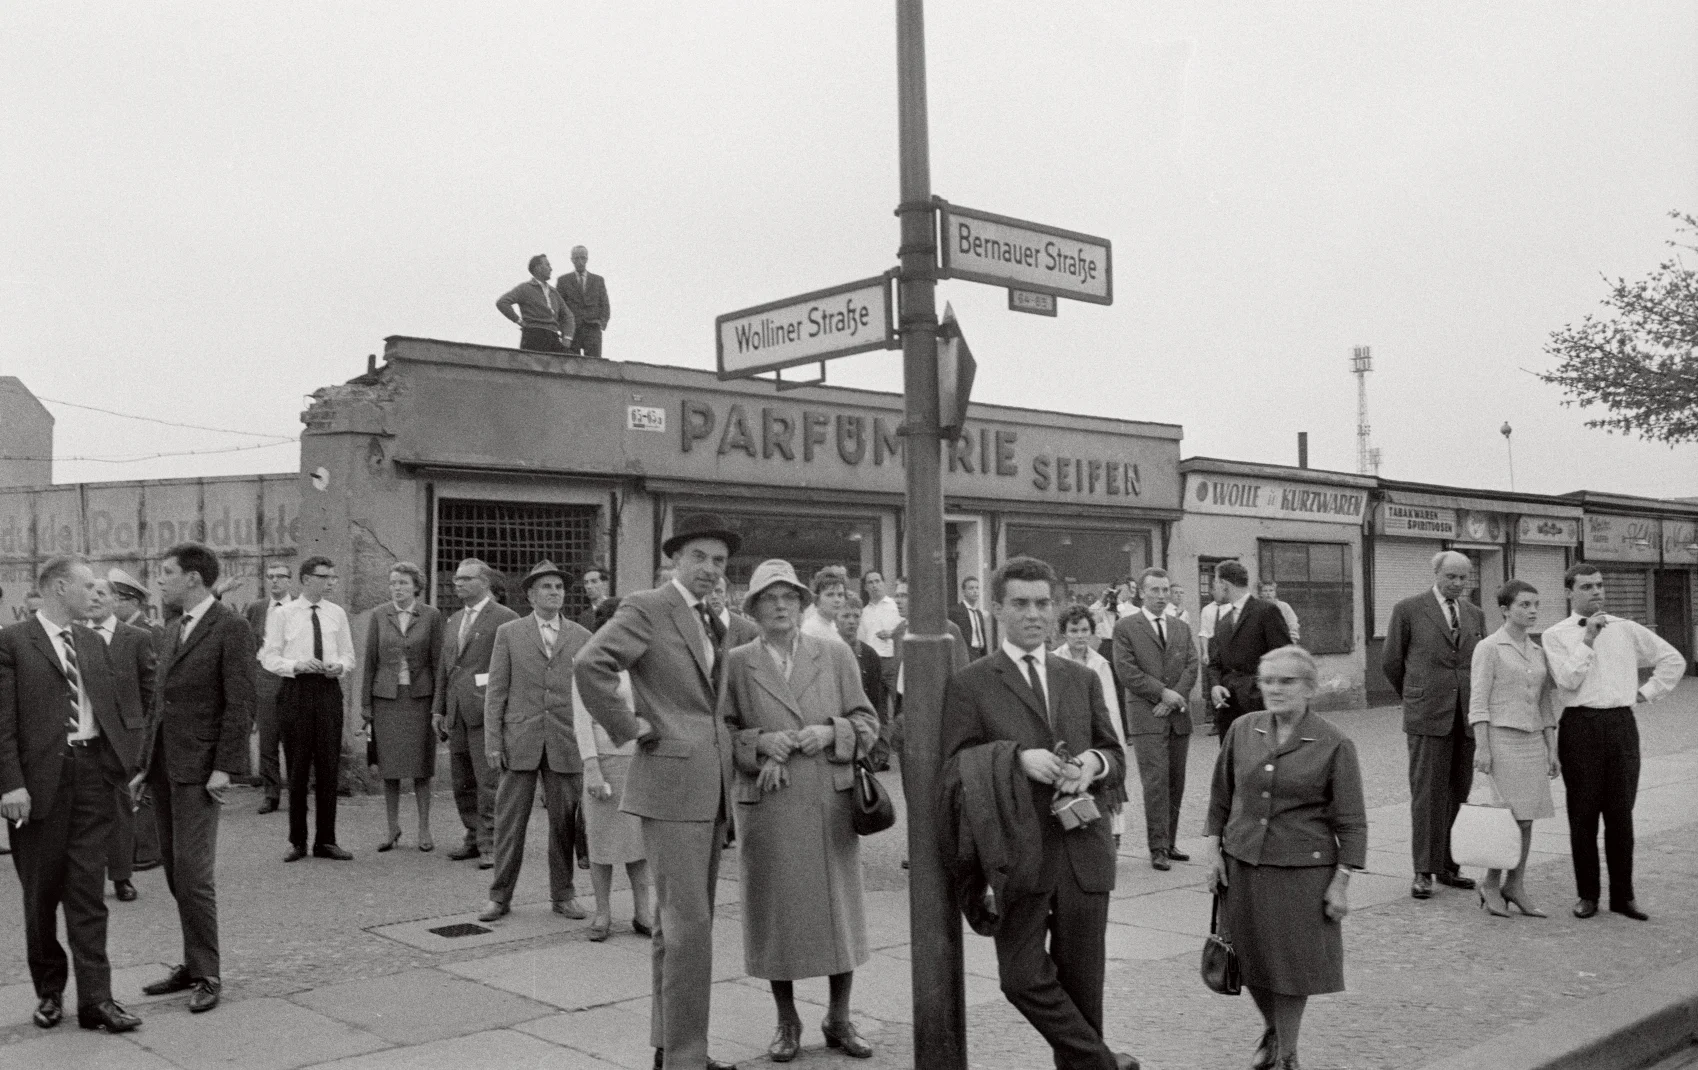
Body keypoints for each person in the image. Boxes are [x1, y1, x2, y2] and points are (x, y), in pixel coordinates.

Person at [941, 556, 1134, 1070]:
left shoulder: (1081, 676)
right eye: (1021, 603)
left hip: (1083, 853)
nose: (1034, 614)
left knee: (1083, 992)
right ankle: (1105, 1065)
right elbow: (953, 769)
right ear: (998, 608)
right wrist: (1015, 758)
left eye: (1043, 603)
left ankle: (1089, 1064)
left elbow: (1114, 752)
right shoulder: (972, 683)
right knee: (1021, 977)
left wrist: (1092, 763)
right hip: (1017, 856)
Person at [574, 513, 743, 1070]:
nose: (710, 570)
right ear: (676, 559)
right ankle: (686, 1058)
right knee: (688, 929)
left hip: (708, 789)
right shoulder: (649, 606)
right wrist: (629, 726)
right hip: (671, 786)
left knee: (682, 929)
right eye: (700, 558)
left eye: (719, 562)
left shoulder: (712, 619)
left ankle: (672, 1049)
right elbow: (590, 662)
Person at [720, 560, 881, 1062]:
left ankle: (839, 1017)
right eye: (770, 598)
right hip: (768, 804)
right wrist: (760, 743)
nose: (781, 605)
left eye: (789, 596)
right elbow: (719, 732)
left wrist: (833, 731)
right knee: (777, 916)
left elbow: (868, 722)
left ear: (801, 603)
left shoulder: (834, 654)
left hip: (828, 804)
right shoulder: (736, 662)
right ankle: (786, 1021)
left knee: (839, 914)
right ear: (754, 607)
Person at [0, 556, 145, 1033]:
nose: (95, 592)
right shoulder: (12, 642)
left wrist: (124, 766)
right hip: (37, 786)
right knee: (40, 897)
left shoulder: (91, 641)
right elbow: (1, 723)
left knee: (88, 895)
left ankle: (96, 1002)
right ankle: (49, 992)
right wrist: (10, 784)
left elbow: (118, 707)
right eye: (86, 585)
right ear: (60, 587)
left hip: (91, 779)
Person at [1204, 645, 1366, 1070]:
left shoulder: (1334, 743)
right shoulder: (1243, 728)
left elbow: (1351, 821)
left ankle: (1287, 1057)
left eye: (1287, 681)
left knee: (1291, 968)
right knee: (1250, 959)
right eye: (1268, 680)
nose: (1275, 689)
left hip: (1302, 871)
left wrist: (1341, 881)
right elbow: (1221, 797)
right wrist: (1213, 852)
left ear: (1310, 688)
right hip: (1241, 862)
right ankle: (1276, 1032)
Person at [137, 542, 255, 1015]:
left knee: (194, 873)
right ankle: (190, 962)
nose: (159, 579)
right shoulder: (170, 631)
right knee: (173, 868)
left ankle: (207, 973)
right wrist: (144, 768)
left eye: (166, 572)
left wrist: (225, 766)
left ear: (193, 578)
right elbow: (157, 706)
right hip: (166, 768)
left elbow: (240, 701)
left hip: (202, 769)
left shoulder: (232, 627)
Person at [1543, 563, 1685, 921]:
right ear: (1568, 592)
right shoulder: (1555, 634)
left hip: (1621, 724)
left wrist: (1646, 692)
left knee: (1621, 815)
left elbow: (1672, 660)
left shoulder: (1627, 629)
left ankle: (1624, 896)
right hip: (1580, 726)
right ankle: (1587, 895)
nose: (1597, 592)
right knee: (1583, 815)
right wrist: (1588, 639)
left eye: (1600, 585)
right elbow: (1567, 682)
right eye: (1587, 586)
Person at [478, 561, 593, 923]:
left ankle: (563, 895)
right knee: (510, 822)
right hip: (519, 739)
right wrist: (493, 741)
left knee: (563, 823)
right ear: (529, 594)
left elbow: (588, 694)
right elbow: (496, 691)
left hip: (564, 740)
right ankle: (499, 896)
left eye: (559, 587)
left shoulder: (580, 636)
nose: (554, 592)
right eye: (546, 587)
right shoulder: (509, 633)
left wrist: (589, 745)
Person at [1382, 551, 1484, 900]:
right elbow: (1393, 662)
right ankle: (1423, 870)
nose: (1457, 583)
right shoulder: (1408, 610)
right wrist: (1416, 696)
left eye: (1463, 578)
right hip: (1427, 714)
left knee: (1459, 792)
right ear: (1436, 574)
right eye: (1451, 576)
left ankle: (1448, 865)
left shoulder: (1475, 615)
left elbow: (1477, 664)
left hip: (1466, 717)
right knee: (1427, 794)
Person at [1469, 579, 1560, 918]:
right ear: (1505, 609)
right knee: (1504, 819)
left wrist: (1552, 748)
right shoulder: (1489, 648)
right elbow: (1478, 701)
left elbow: (1546, 704)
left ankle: (1515, 883)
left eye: (1536, 604)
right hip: (1501, 740)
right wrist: (1482, 748)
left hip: (1533, 742)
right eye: (1524, 605)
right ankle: (1491, 883)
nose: (1532, 611)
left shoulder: (1538, 652)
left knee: (1527, 819)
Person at [260, 556, 356, 863]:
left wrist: (337, 666)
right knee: (298, 768)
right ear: (306, 579)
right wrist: (297, 665)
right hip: (296, 691)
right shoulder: (284, 614)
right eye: (324, 576)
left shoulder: (336, 613)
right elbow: (269, 658)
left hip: (327, 691)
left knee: (328, 767)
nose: (330, 582)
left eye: (332, 576)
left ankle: (326, 840)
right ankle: (297, 840)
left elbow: (349, 656)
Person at [572, 597, 653, 942]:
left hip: (638, 760)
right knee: (602, 843)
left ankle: (642, 912)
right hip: (604, 762)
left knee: (638, 844)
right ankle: (602, 913)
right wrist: (591, 767)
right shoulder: (586, 663)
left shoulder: (641, 664)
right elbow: (581, 719)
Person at [1112, 567, 1199, 871]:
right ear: (1141, 592)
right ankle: (1157, 846)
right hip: (1146, 715)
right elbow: (1126, 671)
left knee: (1176, 781)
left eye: (1165, 590)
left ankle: (1170, 841)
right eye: (1155, 591)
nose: (1161, 596)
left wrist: (1174, 697)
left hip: (1176, 716)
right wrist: (1163, 694)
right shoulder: (1126, 627)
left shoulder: (1180, 627)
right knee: (1156, 782)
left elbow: (1191, 664)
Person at [434, 558, 518, 869]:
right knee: (462, 781)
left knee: (488, 782)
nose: (458, 583)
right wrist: (438, 709)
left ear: (484, 582)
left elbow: (512, 667)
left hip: (486, 712)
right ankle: (472, 836)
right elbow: (445, 669)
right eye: (456, 578)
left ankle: (491, 844)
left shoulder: (504, 618)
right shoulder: (453, 620)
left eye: (466, 579)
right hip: (456, 713)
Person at [361, 562, 444, 853]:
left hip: (420, 699)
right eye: (393, 583)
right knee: (390, 767)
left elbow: (439, 664)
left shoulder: (432, 616)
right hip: (386, 700)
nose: (397, 588)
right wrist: (366, 707)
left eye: (403, 583)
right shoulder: (379, 615)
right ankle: (392, 827)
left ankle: (424, 828)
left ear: (416, 587)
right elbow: (370, 661)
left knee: (422, 767)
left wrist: (439, 704)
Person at [85, 578, 157, 904]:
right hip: (84, 739)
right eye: (89, 593)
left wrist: (142, 739)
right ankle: (86, 880)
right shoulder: (75, 636)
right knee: (84, 812)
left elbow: (151, 692)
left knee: (120, 810)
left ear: (116, 599)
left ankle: (121, 877)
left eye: (101, 593)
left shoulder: (137, 638)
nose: (94, 598)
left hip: (124, 740)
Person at [1055, 605, 1130, 847]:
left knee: (1102, 786)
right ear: (1064, 633)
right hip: (1068, 734)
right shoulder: (1054, 661)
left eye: (1084, 629)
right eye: (1074, 630)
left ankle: (1108, 836)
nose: (1079, 635)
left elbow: (1111, 708)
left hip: (1096, 733)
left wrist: (1116, 742)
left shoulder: (1100, 663)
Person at [1205, 561, 1292, 739]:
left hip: (1259, 706)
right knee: (1233, 761)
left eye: (1215, 582)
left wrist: (1261, 691)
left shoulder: (1266, 611)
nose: (1213, 588)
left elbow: (1285, 656)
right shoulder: (1223, 621)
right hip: (1228, 708)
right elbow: (1215, 662)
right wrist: (1215, 686)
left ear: (1224, 584)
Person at [244, 562, 294, 815]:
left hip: (294, 680)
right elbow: (246, 644)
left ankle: (297, 792)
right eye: (270, 577)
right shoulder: (256, 608)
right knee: (268, 741)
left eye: (280, 577)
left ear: (290, 581)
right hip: (265, 680)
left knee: (296, 739)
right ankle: (271, 793)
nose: (274, 581)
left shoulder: (299, 607)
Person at [496, 254, 575, 353]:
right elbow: (502, 302)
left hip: (553, 337)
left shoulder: (554, 292)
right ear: (537, 268)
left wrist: (567, 337)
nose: (551, 269)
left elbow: (568, 316)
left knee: (572, 362)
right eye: (547, 265)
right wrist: (519, 321)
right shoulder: (525, 288)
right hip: (534, 336)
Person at [835, 594, 886, 743]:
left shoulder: (870, 655)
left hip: (864, 728)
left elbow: (878, 702)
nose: (851, 621)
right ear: (835, 619)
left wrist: (880, 740)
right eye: (845, 616)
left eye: (856, 616)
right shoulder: (828, 652)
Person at [858, 572, 902, 714]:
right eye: (870, 582)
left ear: (883, 583)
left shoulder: (896, 606)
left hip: (893, 661)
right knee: (877, 706)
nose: (874, 585)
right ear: (865, 587)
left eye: (877, 581)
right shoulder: (863, 612)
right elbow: (863, 640)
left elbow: (905, 629)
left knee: (898, 702)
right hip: (873, 663)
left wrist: (891, 634)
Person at [557, 245, 611, 358]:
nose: (580, 261)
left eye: (583, 258)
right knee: (571, 363)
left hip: (593, 329)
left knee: (594, 364)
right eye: (576, 258)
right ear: (572, 260)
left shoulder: (598, 280)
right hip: (572, 330)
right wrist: (562, 327)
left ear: (587, 259)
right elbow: (559, 306)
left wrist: (602, 322)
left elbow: (605, 304)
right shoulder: (563, 281)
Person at [801, 566, 849, 644]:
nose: (837, 600)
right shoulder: (810, 630)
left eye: (840, 595)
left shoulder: (832, 626)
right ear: (817, 599)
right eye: (830, 595)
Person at [948, 575, 990, 661]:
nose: (975, 591)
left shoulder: (978, 613)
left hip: (980, 655)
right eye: (971, 588)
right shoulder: (955, 611)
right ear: (964, 592)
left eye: (977, 588)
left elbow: (982, 636)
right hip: (966, 656)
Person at [578, 566, 613, 632]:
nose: (589, 586)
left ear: (605, 584)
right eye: (586, 583)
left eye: (594, 581)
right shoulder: (584, 617)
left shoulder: (616, 610)